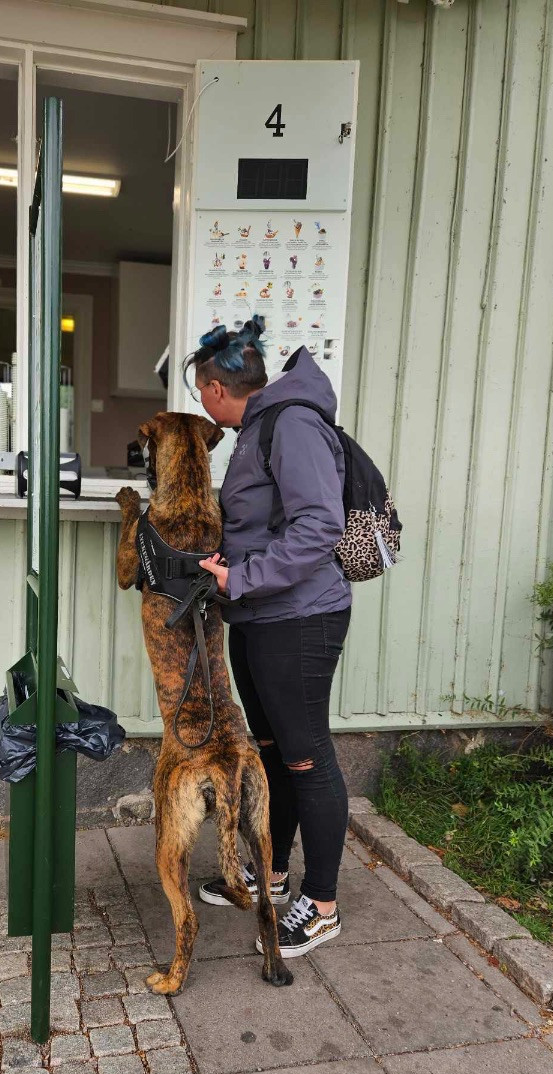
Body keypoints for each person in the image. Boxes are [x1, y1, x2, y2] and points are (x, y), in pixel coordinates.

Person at [188, 316, 352, 958]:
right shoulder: (257, 429)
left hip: (300, 620)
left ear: (215, 388)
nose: (202, 404)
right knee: (272, 753)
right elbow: (262, 523)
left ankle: (322, 905)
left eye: (200, 392)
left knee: (307, 758)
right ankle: (273, 873)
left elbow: (319, 526)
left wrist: (243, 576)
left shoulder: (293, 424)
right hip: (259, 616)